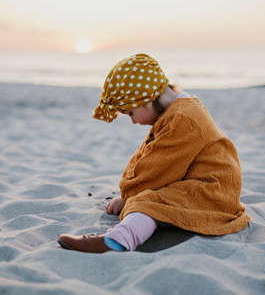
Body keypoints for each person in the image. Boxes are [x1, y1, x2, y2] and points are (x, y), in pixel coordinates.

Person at [57, 53, 250, 253]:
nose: (133, 121)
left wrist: (129, 198)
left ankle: (117, 241)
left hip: (211, 192)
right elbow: (151, 156)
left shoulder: (182, 119)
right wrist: (128, 194)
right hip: (197, 185)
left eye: (131, 113)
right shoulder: (177, 111)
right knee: (150, 199)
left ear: (146, 100)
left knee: (148, 203)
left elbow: (159, 170)